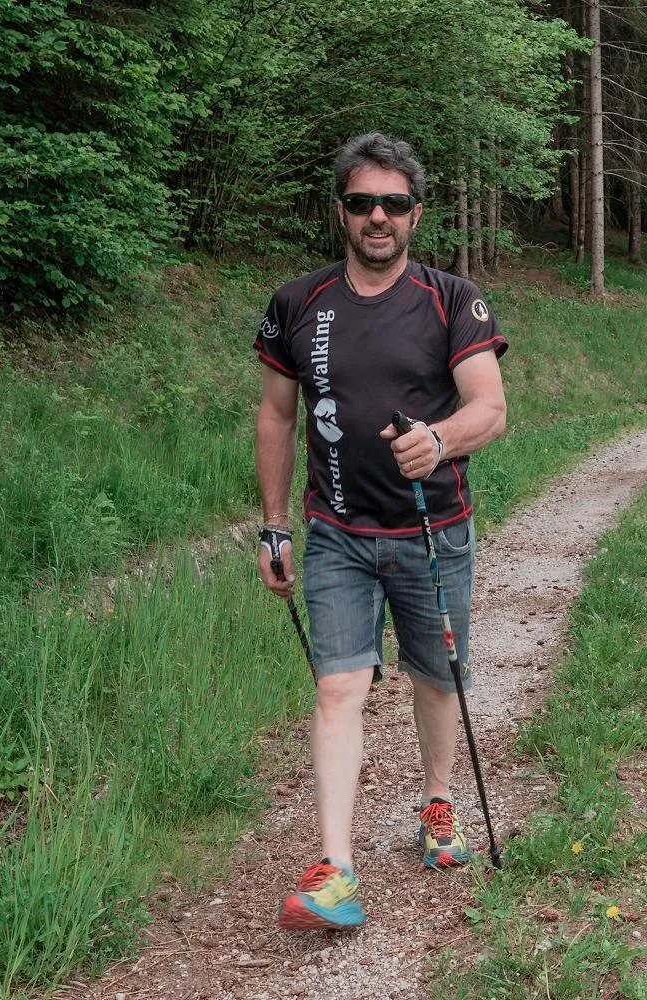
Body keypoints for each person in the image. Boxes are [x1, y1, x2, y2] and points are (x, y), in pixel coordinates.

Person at [253, 134, 508, 930]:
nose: (377, 217)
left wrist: (439, 440)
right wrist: (271, 527)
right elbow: (275, 415)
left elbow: (490, 408)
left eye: (393, 204)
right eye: (362, 202)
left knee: (435, 679)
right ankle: (336, 866)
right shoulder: (299, 302)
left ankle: (437, 802)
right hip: (335, 533)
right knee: (338, 686)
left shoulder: (451, 298)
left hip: (434, 530)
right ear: (342, 211)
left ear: (415, 215)